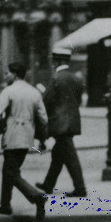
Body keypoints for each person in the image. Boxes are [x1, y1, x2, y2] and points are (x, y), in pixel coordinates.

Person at [0, 62, 49, 221]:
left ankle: (37, 196)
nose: (5, 76)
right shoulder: (34, 92)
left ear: (15, 74)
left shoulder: (8, 91)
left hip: (12, 136)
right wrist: (42, 140)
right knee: (9, 169)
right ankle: (5, 204)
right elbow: (43, 119)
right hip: (27, 137)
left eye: (7, 73)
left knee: (11, 172)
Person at [36, 46, 88, 198]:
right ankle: (48, 184)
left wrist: (42, 92)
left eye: (53, 61)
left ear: (57, 61)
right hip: (71, 121)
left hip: (60, 122)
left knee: (70, 157)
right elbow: (76, 100)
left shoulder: (56, 78)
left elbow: (48, 100)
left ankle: (80, 188)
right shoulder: (76, 78)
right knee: (59, 154)